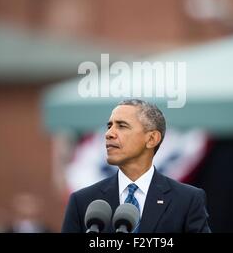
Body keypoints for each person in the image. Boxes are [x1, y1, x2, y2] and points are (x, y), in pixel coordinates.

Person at [61, 99, 211, 233]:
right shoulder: (82, 201)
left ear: (152, 138)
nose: (109, 134)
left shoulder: (187, 200)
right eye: (109, 126)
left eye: (122, 126)